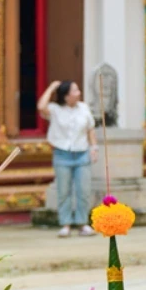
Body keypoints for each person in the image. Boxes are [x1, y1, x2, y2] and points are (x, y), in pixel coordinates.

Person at [37, 79, 98, 238]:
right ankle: (65, 224)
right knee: (63, 190)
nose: (79, 93)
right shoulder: (55, 110)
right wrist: (51, 87)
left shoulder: (84, 108)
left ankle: (83, 223)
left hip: (81, 153)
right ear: (66, 96)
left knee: (83, 190)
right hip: (62, 154)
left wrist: (94, 148)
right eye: (75, 91)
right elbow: (41, 107)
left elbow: (90, 129)